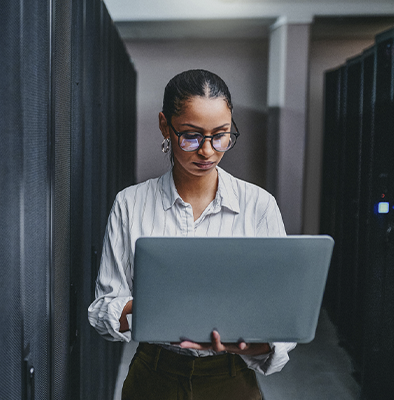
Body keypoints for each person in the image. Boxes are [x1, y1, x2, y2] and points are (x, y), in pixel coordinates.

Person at [88, 69, 296, 400]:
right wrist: (146, 310)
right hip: (153, 377)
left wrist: (248, 342)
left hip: (231, 377)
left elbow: (283, 313)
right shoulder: (130, 204)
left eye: (221, 135)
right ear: (164, 126)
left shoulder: (259, 206)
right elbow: (103, 310)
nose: (208, 151)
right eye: (191, 135)